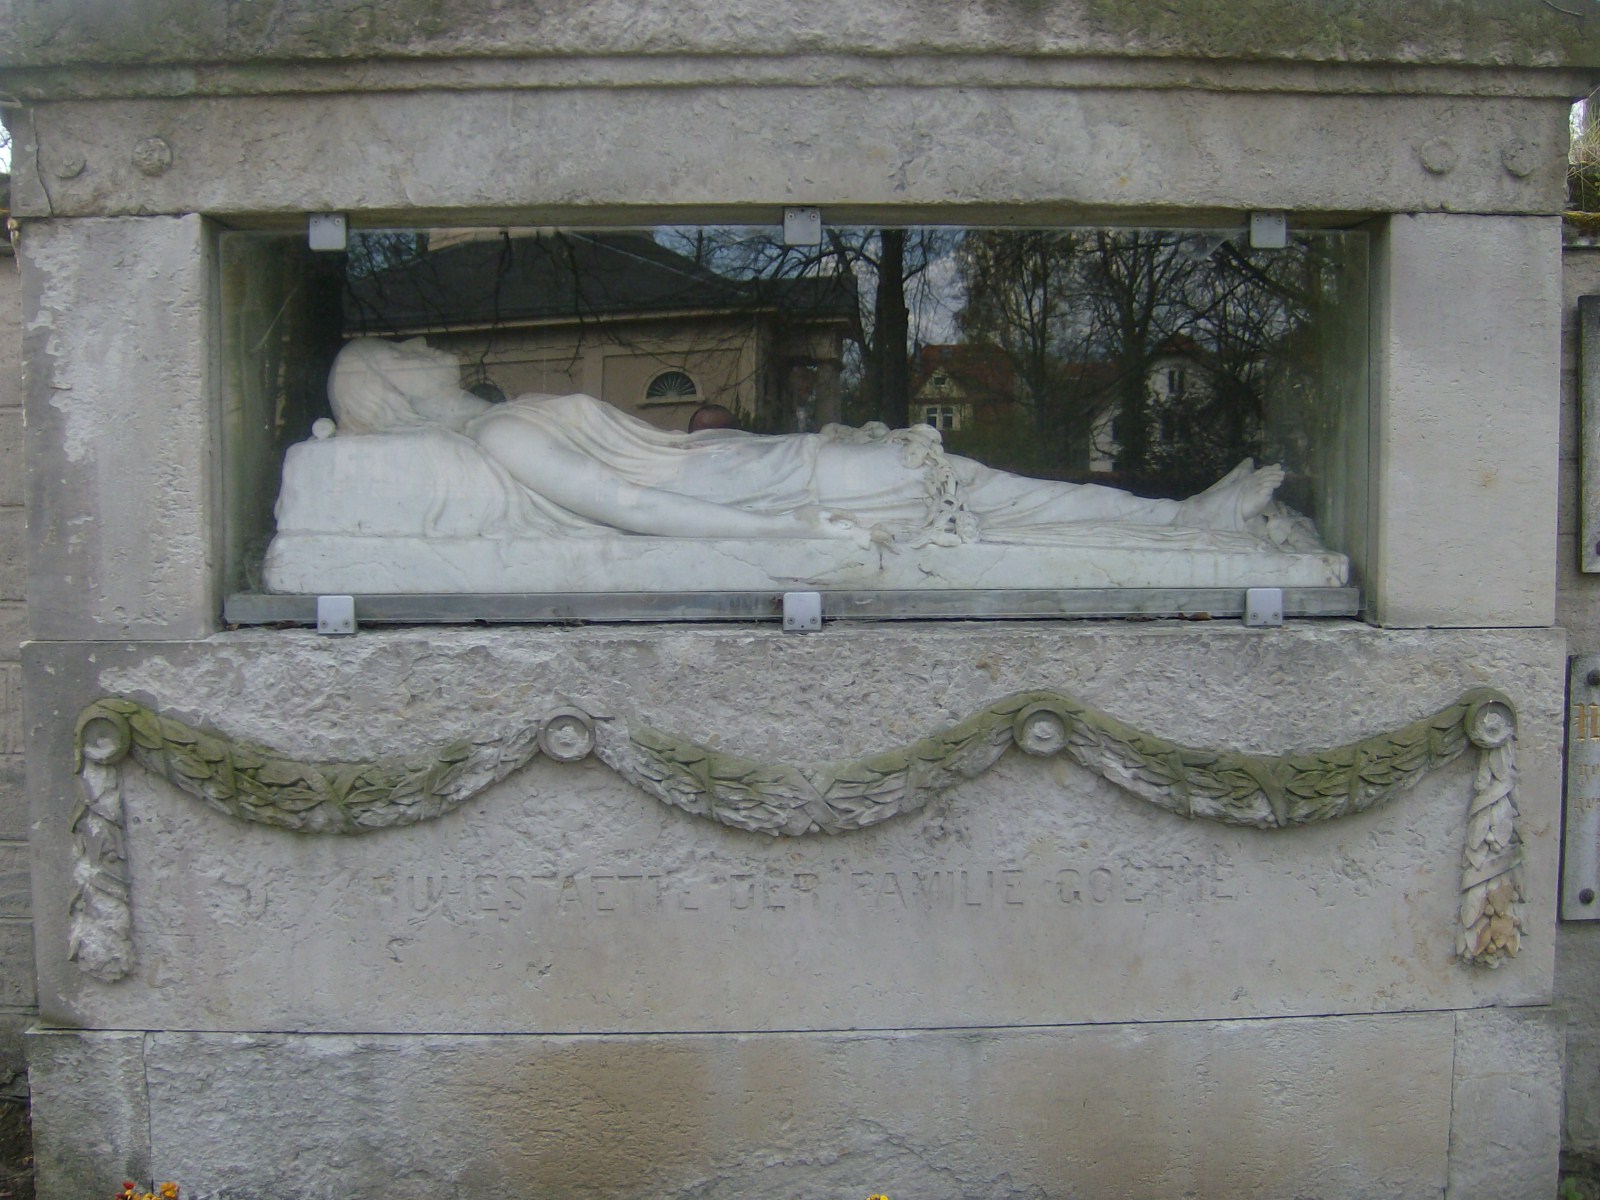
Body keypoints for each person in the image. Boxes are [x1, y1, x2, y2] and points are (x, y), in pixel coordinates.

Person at [325, 337, 1289, 549]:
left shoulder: (501, 423)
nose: (426, 345)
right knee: (998, 501)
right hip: (771, 488)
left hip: (764, 472)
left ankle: (1184, 522)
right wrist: (791, 534)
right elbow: (626, 509)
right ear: (394, 386)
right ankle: (1187, 524)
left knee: (1002, 503)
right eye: (403, 350)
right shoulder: (499, 431)